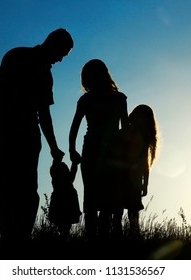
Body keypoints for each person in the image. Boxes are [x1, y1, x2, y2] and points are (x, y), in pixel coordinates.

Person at [0, 28, 73, 251]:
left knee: (10, 190)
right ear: (53, 44)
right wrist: (53, 147)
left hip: (9, 131)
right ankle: (17, 242)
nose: (61, 59)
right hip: (17, 132)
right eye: (62, 53)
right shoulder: (29, 63)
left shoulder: (16, 55)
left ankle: (15, 241)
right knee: (20, 190)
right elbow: (43, 113)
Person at [69, 59, 129, 240]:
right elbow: (125, 129)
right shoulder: (118, 98)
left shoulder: (89, 99)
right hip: (103, 151)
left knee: (93, 196)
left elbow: (74, 128)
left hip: (97, 150)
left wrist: (72, 149)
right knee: (104, 197)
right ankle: (99, 238)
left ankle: (93, 238)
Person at [119, 104, 158, 236]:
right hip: (121, 176)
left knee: (132, 212)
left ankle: (133, 236)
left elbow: (144, 164)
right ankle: (121, 236)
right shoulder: (125, 132)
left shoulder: (143, 137)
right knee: (119, 211)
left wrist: (145, 183)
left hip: (133, 179)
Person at [48, 160, 82, 241]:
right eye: (65, 167)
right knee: (63, 226)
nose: (67, 168)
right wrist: (74, 163)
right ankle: (64, 238)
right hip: (64, 203)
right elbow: (72, 172)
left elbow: (72, 172)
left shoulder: (64, 179)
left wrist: (74, 163)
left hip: (67, 203)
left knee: (64, 226)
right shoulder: (59, 179)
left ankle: (64, 237)